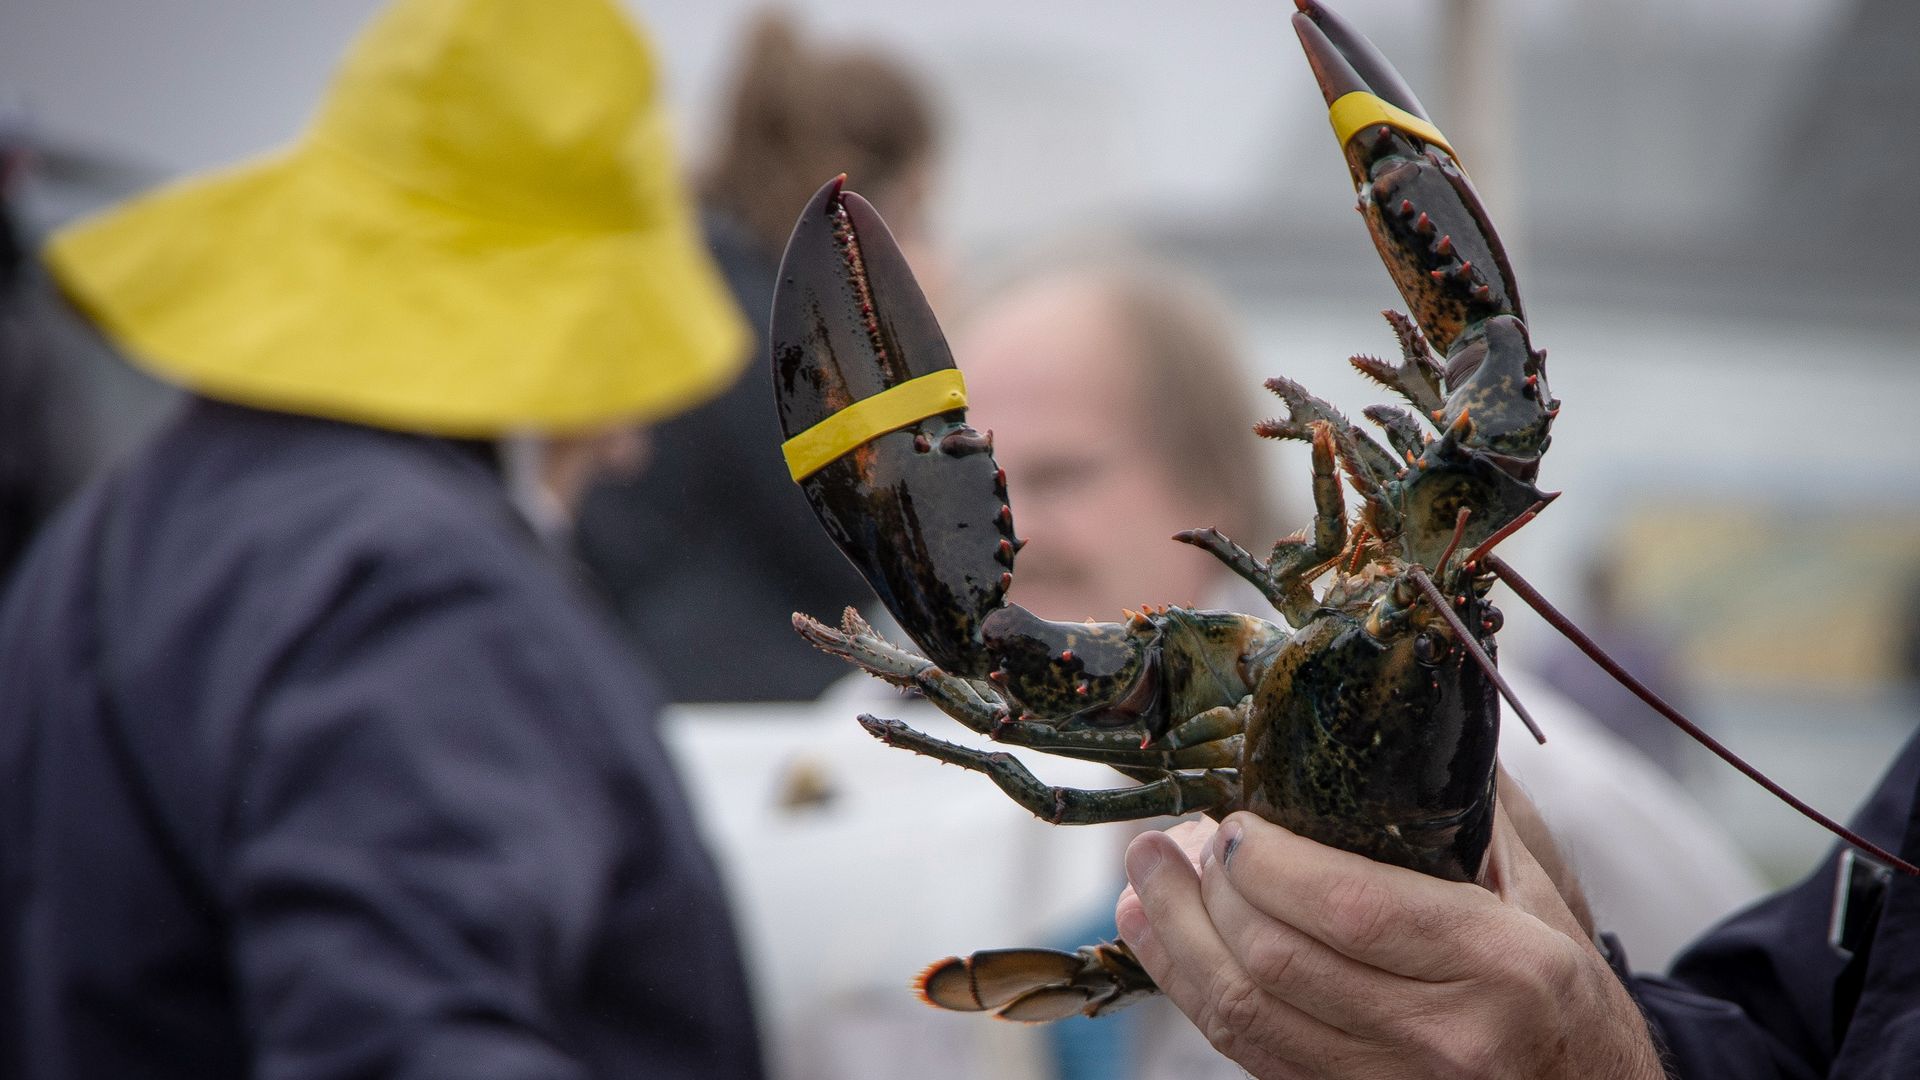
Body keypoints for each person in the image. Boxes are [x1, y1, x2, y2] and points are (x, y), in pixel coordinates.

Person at [0, 2, 765, 1077]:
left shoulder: (117, 532)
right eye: (608, 372)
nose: (626, 442)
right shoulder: (411, 587)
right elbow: (404, 1043)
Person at [571, 10, 941, 703]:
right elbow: (866, 545)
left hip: (637, 675)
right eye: (916, 213)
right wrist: (910, 360)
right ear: (870, 200)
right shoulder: (775, 332)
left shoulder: (697, 277)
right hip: (721, 704)